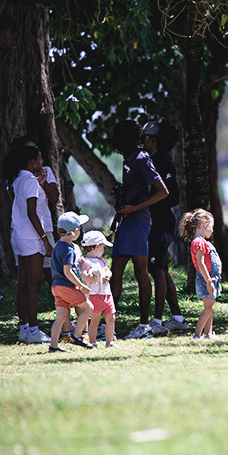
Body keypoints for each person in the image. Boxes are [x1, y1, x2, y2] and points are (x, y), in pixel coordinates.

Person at [108, 120, 170, 340]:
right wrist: (122, 192)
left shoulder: (142, 159)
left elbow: (162, 191)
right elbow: (137, 187)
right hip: (126, 221)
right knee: (115, 273)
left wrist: (135, 207)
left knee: (140, 272)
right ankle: (107, 324)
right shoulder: (129, 158)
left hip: (138, 222)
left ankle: (144, 326)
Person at [4, 144, 53, 345]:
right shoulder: (30, 180)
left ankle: (24, 328)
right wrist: (44, 239)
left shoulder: (18, 179)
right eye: (39, 158)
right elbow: (32, 213)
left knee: (23, 282)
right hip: (31, 237)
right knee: (34, 284)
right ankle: (33, 330)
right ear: (32, 162)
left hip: (18, 234)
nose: (42, 162)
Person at [141, 121, 185, 336]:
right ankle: (177, 317)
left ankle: (157, 320)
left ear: (153, 140)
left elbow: (172, 196)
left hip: (161, 223)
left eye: (145, 138)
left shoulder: (161, 161)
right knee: (160, 269)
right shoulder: (152, 159)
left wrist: (145, 203)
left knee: (157, 269)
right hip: (157, 222)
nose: (142, 142)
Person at [48, 211, 94, 353]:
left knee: (60, 317)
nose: (80, 231)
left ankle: (53, 346)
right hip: (66, 286)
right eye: (79, 228)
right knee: (88, 308)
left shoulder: (57, 245)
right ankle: (77, 336)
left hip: (56, 286)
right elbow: (68, 271)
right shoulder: (69, 249)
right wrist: (81, 286)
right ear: (74, 232)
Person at [179, 209, 220, 340]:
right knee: (208, 309)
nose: (212, 230)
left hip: (211, 279)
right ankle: (197, 334)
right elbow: (201, 263)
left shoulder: (204, 242)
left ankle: (208, 333)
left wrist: (215, 282)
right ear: (205, 223)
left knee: (210, 308)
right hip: (206, 280)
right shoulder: (198, 242)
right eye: (211, 227)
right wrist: (208, 281)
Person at [79, 230, 117, 348]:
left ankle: (109, 341)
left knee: (111, 318)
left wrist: (107, 276)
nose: (103, 250)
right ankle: (93, 342)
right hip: (94, 295)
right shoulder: (87, 261)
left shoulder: (101, 261)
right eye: (103, 247)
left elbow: (108, 271)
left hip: (106, 294)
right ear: (96, 247)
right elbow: (84, 276)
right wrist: (95, 278)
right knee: (95, 320)